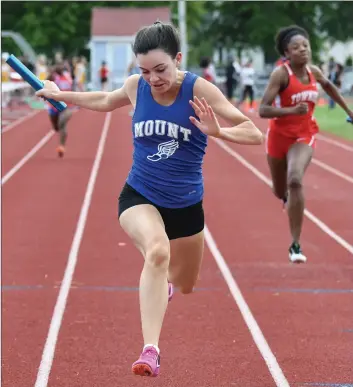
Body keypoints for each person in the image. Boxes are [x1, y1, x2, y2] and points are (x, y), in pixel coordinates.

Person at [36, 21, 263, 377]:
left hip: (186, 205)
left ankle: (166, 284)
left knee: (185, 284)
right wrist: (59, 95)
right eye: (144, 71)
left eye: (160, 69)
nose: (153, 78)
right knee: (157, 252)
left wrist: (219, 132)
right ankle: (150, 351)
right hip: (139, 194)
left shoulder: (199, 89)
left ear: (178, 59)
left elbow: (254, 133)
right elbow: (104, 99)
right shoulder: (136, 87)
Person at [259, 25, 353, 263]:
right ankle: (286, 199)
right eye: (296, 47)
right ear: (286, 53)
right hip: (278, 138)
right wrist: (290, 110)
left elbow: (330, 87)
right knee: (280, 190)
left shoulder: (314, 72)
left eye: (305, 46)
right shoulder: (281, 75)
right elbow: (263, 110)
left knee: (295, 180)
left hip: (304, 135)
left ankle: (295, 244)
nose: (303, 50)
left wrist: (349, 110)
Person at [46, 62, 74, 157]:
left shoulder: (68, 76)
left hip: (66, 105)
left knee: (62, 124)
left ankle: (61, 146)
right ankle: (58, 129)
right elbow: (45, 82)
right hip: (53, 106)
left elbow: (73, 85)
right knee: (56, 127)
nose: (61, 69)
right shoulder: (53, 77)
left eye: (63, 67)